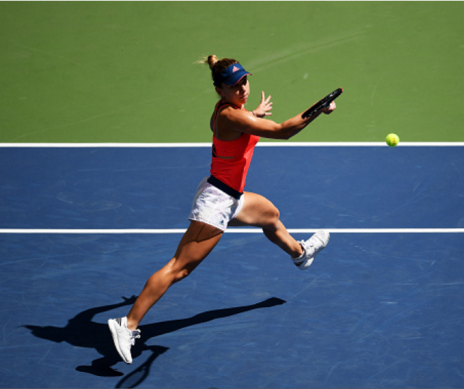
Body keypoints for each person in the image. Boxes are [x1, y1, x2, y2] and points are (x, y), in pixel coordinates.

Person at [108, 55, 336, 364]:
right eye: (234, 85)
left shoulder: (233, 112)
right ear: (220, 91)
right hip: (216, 202)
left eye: (244, 81)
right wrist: (318, 110)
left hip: (231, 196)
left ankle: (299, 253)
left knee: (270, 215)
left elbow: (241, 128)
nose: (242, 88)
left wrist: (253, 113)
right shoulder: (232, 116)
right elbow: (283, 130)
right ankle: (127, 324)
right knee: (179, 268)